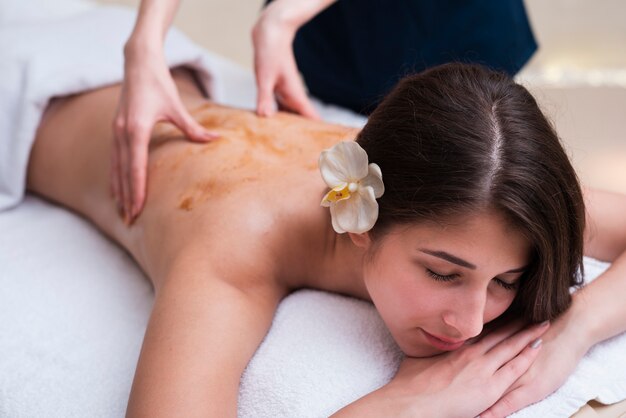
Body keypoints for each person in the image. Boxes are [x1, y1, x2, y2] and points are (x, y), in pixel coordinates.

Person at [25, 51, 626, 417]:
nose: (470, 325)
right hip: (24, 100)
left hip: (175, 77)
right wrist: (397, 409)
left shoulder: (468, 177)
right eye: (443, 273)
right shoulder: (240, 239)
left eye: (506, 282)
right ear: (361, 222)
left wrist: (571, 334)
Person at [115, 0, 538, 224]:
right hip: (332, 40)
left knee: (473, 185)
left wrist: (289, 11)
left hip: (449, 24)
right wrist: (146, 41)